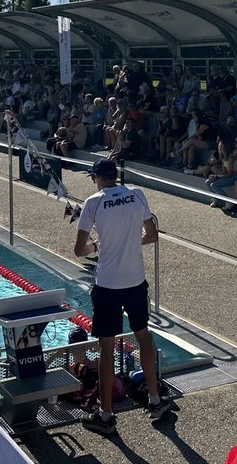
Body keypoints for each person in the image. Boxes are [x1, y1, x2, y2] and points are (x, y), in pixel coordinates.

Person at [74, 158, 171, 433]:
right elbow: (151, 235)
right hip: (135, 281)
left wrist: (101, 244)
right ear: (115, 177)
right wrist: (128, 241)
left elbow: (79, 250)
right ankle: (154, 399)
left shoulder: (92, 203)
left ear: (96, 178)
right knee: (144, 338)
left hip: (107, 286)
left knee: (106, 349)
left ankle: (106, 416)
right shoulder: (137, 195)